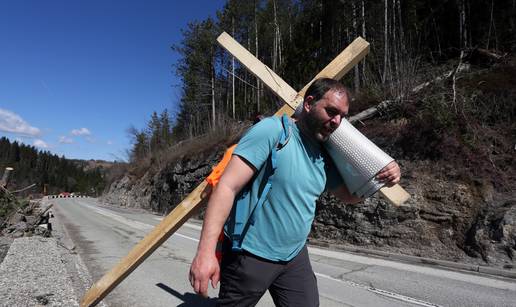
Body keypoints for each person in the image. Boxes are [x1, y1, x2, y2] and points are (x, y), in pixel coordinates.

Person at [189, 78, 400, 306]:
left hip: (294, 257)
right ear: (309, 104)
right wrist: (205, 253)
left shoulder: (323, 155)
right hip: (249, 255)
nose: (337, 121)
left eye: (342, 116)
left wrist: (382, 177)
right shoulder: (272, 131)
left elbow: (350, 197)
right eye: (331, 111)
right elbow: (227, 187)